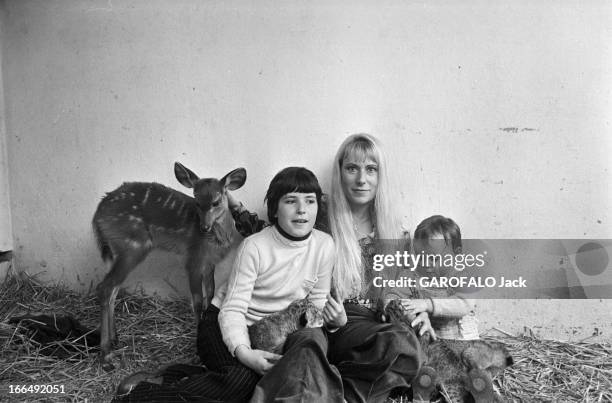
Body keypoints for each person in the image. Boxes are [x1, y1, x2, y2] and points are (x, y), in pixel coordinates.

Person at [113, 167, 346, 402]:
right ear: (274, 209)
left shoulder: (324, 245)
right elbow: (232, 310)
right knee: (242, 384)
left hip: (274, 334)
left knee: (275, 382)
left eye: (310, 201)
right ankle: (143, 395)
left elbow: (316, 304)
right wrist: (245, 354)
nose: (302, 210)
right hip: (225, 322)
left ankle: (177, 375)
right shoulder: (255, 247)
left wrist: (336, 324)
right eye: (290, 201)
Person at [325, 133, 428, 403]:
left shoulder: (395, 232)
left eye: (371, 169)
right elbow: (278, 238)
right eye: (352, 168)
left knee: (416, 349)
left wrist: (420, 313)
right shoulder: (322, 223)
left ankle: (344, 390)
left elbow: (406, 287)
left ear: (380, 176)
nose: (362, 179)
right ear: (340, 173)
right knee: (403, 346)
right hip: (339, 323)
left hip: (380, 326)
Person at [403, 215, 480, 340]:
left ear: (457, 254)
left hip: (462, 341)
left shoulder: (461, 276)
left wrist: (427, 304)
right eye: (420, 257)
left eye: (434, 258)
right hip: (433, 341)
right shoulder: (417, 276)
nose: (426, 264)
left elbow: (465, 303)